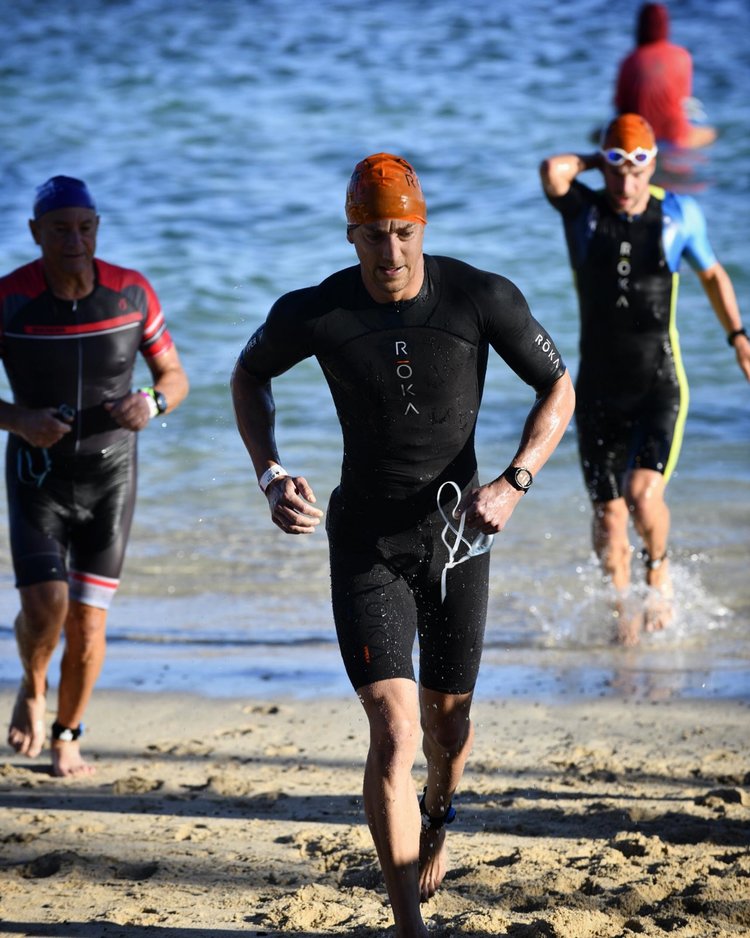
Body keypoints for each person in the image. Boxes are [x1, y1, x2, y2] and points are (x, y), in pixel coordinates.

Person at [231, 152, 574, 937]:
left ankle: (439, 819)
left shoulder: (482, 297)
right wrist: (271, 474)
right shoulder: (317, 311)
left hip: (460, 538)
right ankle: (407, 927)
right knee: (396, 732)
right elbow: (247, 377)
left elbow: (559, 386)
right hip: (365, 543)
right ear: (351, 236)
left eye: (403, 233)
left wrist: (515, 482)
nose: (391, 252)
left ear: (422, 228)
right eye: (374, 236)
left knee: (448, 731)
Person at [1, 175, 189, 777]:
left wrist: (153, 405)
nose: (74, 240)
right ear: (36, 233)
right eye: (60, 229)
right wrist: (20, 419)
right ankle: (32, 683)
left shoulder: (132, 294)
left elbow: (175, 377)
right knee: (46, 606)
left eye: (84, 227)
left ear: (97, 229)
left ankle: (66, 734)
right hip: (37, 473)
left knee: (86, 620)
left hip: (111, 477)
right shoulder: (10, 299)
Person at [540, 114, 749, 643]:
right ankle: (621, 617)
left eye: (637, 169)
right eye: (616, 170)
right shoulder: (583, 213)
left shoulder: (679, 214)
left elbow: (713, 274)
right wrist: (604, 155)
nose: (626, 184)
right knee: (609, 518)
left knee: (642, 493)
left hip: (659, 382)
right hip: (596, 390)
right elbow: (552, 171)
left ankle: (658, 568)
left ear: (653, 164)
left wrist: (739, 338)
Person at [614, 3, 717, 150]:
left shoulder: (629, 61)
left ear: (640, 27)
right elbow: (684, 100)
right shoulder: (682, 56)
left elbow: (621, 107)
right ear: (666, 26)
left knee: (598, 134)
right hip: (676, 136)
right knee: (711, 132)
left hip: (640, 135)